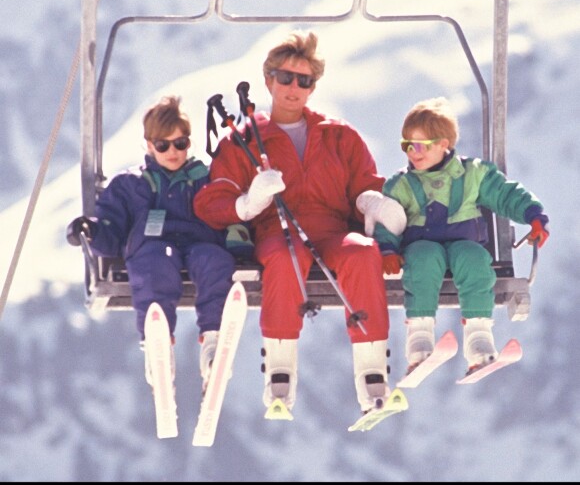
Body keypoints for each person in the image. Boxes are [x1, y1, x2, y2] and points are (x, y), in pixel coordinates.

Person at [194, 30, 406, 416]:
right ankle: (279, 371)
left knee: (362, 253)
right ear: (269, 80)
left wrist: (372, 203)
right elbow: (212, 202)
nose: (294, 87)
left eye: (303, 80)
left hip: (333, 230)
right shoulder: (244, 141)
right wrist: (248, 202)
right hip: (277, 229)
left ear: (313, 87)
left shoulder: (339, 136)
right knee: (283, 256)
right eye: (286, 77)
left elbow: (364, 184)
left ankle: (373, 373)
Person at [66, 95, 242, 393]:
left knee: (215, 262)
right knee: (153, 264)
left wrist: (241, 240)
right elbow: (112, 230)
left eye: (180, 143)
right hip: (153, 247)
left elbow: (229, 211)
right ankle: (159, 347)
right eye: (163, 145)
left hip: (199, 243)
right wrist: (91, 231)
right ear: (149, 145)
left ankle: (213, 343)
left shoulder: (206, 179)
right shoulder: (130, 185)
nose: (172, 152)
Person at [372, 96, 550, 375]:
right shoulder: (402, 185)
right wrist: (388, 250)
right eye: (406, 145)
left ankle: (478, 337)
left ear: (444, 144)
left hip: (464, 243)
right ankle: (420, 337)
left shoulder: (473, 174)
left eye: (419, 146)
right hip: (422, 245)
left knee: (476, 259)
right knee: (422, 259)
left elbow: (505, 194)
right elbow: (386, 218)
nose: (412, 153)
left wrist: (533, 215)